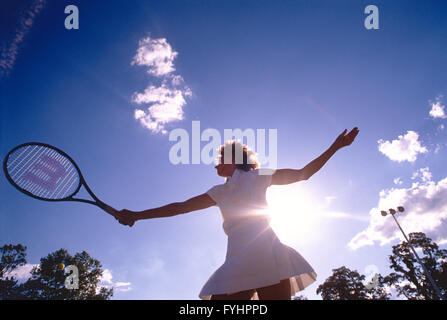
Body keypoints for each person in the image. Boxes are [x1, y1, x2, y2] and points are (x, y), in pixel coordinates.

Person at [112, 127, 359, 300]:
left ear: (233, 159)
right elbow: (179, 207)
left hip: (268, 255)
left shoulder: (259, 176)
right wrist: (136, 214)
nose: (215, 164)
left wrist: (336, 146)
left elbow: (304, 173)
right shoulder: (220, 191)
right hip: (239, 261)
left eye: (220, 158)